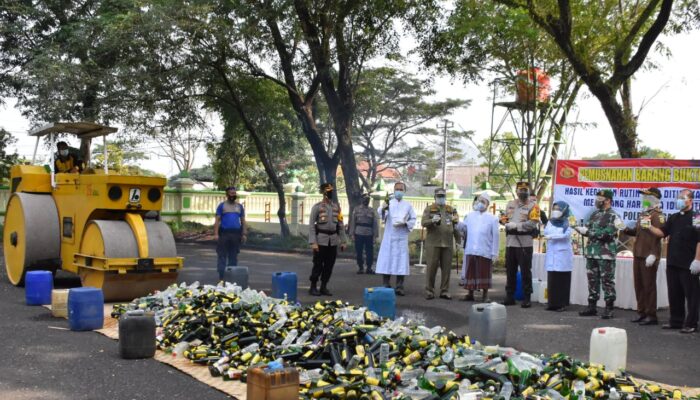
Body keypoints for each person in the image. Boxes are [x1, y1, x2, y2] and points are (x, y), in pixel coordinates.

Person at [648, 189, 700, 333]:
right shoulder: (674, 217)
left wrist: (697, 260)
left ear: (690, 200)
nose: (679, 200)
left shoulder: (696, 217)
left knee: (692, 295)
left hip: (689, 264)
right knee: (674, 293)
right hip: (673, 262)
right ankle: (676, 321)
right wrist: (649, 226)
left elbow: (699, 240)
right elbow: (662, 233)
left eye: (682, 198)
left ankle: (691, 323)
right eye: (678, 198)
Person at [575, 189, 625, 319]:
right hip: (592, 253)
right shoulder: (594, 214)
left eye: (600, 199)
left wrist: (588, 232)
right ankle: (592, 306)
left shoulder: (614, 216)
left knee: (607, 281)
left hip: (605, 254)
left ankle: (609, 308)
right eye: (597, 198)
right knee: (592, 280)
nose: (597, 201)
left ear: (608, 200)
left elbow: (607, 234)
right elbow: (588, 227)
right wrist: (581, 229)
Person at [623, 188, 664, 325]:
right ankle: (641, 312)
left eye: (647, 197)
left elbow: (659, 236)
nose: (644, 199)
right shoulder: (643, 214)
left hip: (649, 255)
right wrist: (626, 229)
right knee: (639, 285)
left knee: (649, 286)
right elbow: (639, 233)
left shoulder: (658, 215)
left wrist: (654, 254)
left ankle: (651, 315)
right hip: (639, 254)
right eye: (644, 197)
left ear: (655, 199)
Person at [502, 181, 540, 308]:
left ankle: (527, 297)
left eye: (525, 190)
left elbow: (533, 223)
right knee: (510, 271)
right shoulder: (510, 204)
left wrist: (517, 226)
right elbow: (505, 218)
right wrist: (503, 221)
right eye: (520, 190)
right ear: (516, 191)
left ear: (528, 191)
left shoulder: (534, 206)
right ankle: (509, 296)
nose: (522, 192)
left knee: (525, 271)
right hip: (511, 242)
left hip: (525, 243)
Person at [376, 181, 417, 296]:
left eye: (401, 189)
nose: (398, 191)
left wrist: (406, 224)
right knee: (387, 260)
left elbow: (413, 219)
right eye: (397, 189)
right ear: (394, 191)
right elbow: (381, 213)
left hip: (401, 237)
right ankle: (386, 284)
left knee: (401, 261)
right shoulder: (389, 203)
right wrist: (383, 208)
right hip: (389, 236)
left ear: (404, 191)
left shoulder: (408, 205)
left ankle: (399, 286)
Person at [457, 193, 499, 302]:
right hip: (471, 248)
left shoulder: (492, 219)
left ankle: (485, 295)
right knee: (470, 272)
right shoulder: (470, 215)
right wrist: (456, 222)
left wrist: (494, 253)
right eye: (479, 201)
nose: (480, 203)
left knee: (484, 273)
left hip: (485, 250)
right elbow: (464, 229)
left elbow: (495, 237)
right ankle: (470, 294)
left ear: (487, 204)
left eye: (483, 202)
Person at [421, 188, 461, 300]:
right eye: (439, 196)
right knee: (431, 268)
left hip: (447, 243)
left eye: (443, 196)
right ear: (435, 197)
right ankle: (429, 291)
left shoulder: (451, 209)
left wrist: (458, 241)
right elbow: (423, 223)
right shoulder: (429, 209)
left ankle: (445, 291)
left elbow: (456, 226)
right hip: (433, 243)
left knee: (447, 269)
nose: (441, 198)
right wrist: (432, 220)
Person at [308, 183, 347, 296]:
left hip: (333, 241)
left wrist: (343, 241)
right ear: (324, 193)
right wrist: (313, 242)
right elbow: (311, 226)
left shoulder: (336, 207)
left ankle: (324, 286)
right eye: (329, 191)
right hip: (321, 241)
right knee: (318, 264)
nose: (331, 193)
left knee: (329, 265)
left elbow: (340, 225)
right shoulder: (317, 207)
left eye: (332, 191)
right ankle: (313, 286)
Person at [543, 201, 574, 312]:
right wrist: (549, 236)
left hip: (563, 254)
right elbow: (545, 232)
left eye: (559, 209)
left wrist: (552, 237)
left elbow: (566, 235)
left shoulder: (568, 222)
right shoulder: (550, 222)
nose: (556, 211)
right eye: (554, 208)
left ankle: (562, 304)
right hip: (552, 254)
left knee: (562, 280)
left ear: (564, 210)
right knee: (552, 279)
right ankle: (552, 303)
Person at [213, 187, 247, 280]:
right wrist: (216, 234)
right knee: (222, 255)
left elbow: (243, 221)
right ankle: (221, 276)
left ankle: (231, 275)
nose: (233, 195)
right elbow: (217, 221)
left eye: (234, 193)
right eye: (231, 193)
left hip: (236, 234)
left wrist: (244, 234)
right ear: (227, 195)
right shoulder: (222, 206)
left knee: (233, 255)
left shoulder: (239, 207)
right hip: (224, 234)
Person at [349, 193, 379, 274]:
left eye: (368, 199)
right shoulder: (356, 209)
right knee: (359, 251)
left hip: (369, 234)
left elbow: (375, 224)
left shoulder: (372, 210)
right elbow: (353, 222)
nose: (367, 201)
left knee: (370, 252)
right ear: (362, 200)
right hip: (359, 233)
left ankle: (369, 268)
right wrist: (352, 234)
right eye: (365, 199)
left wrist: (375, 236)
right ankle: (361, 267)